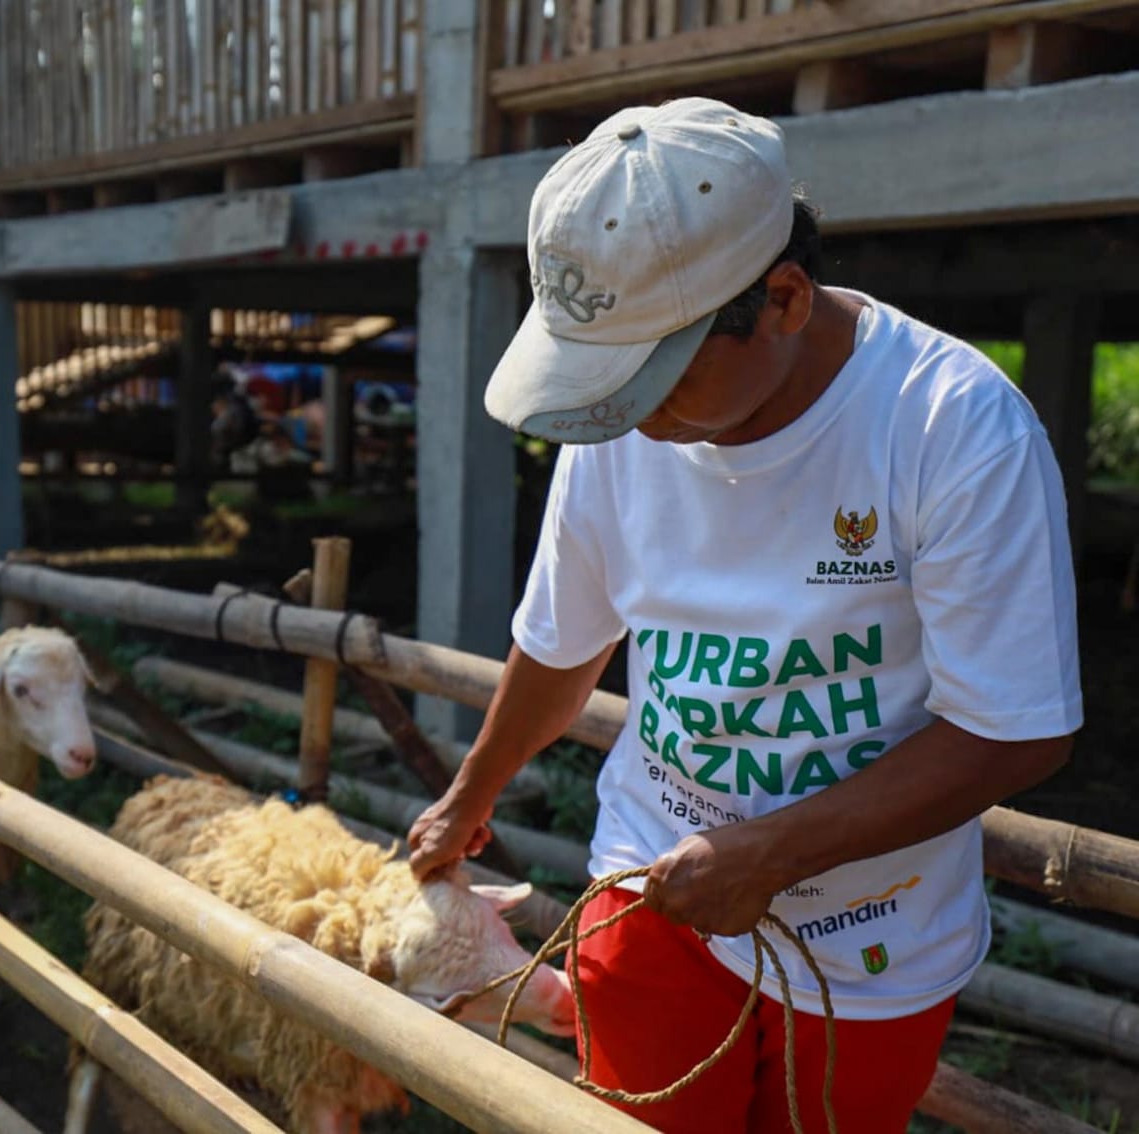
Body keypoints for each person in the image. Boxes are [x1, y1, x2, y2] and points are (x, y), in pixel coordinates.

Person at [407, 98, 1081, 1134]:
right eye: (605, 379)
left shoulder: (950, 425)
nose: (628, 414)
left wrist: (770, 855)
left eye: (657, 375)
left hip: (868, 925)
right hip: (650, 873)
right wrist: (471, 789)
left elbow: (1014, 726)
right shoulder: (618, 432)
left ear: (782, 299)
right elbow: (563, 641)